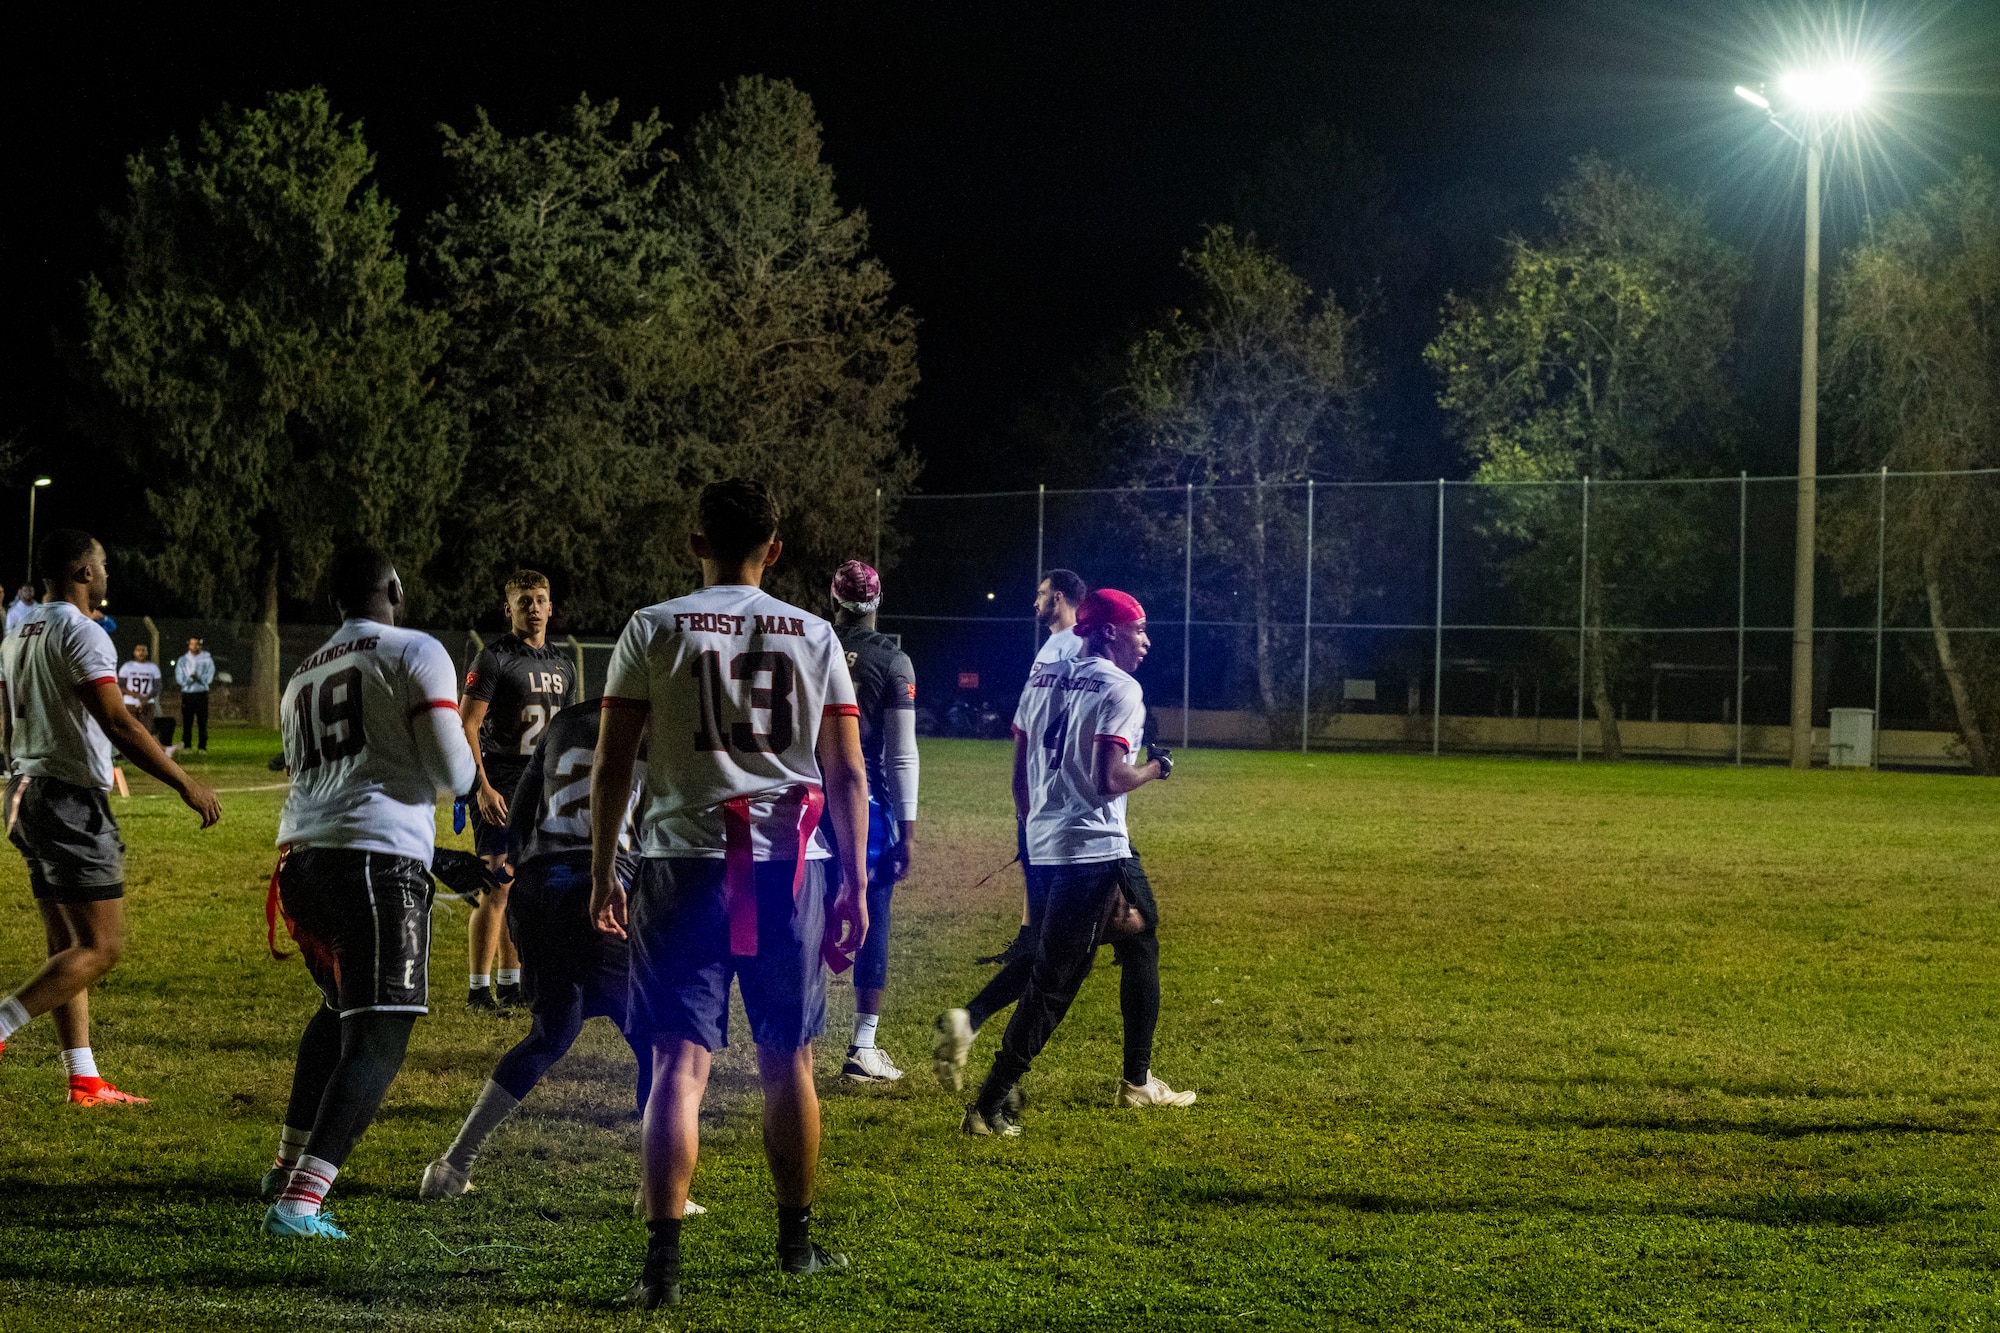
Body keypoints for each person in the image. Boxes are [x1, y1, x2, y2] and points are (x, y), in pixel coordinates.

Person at [589, 477, 870, 1308]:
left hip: (682, 862)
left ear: (693, 541)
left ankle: (663, 1270)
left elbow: (612, 764)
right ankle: (796, 1246)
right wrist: (853, 879)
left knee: (679, 1063)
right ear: (774, 548)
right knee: (791, 1059)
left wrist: (607, 866)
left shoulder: (654, 625)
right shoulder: (817, 632)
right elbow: (848, 770)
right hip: (791, 867)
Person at [258, 546, 478, 1241]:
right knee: (380, 1032)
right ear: (396, 591)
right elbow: (450, 765)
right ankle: (301, 1200)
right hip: (370, 865)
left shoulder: (303, 671)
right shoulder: (415, 648)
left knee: (336, 1009)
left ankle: (285, 1161)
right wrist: (471, 782)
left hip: (302, 861)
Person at [419, 698, 704, 1215]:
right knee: (658, 1042)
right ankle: (657, 1191)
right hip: (598, 891)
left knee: (552, 1032)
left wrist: (510, 878)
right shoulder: (657, 724)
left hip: (537, 894)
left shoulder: (564, 722)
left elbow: (519, 814)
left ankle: (451, 1167)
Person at [960, 588, 1193, 1137]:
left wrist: (1033, 825)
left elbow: (1019, 767)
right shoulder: (1122, 688)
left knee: (1138, 933)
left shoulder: (1043, 676)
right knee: (1056, 977)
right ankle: (989, 1104)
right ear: (1110, 631)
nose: (1146, 641)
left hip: (1044, 842)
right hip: (1090, 849)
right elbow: (1109, 778)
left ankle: (1136, 1080)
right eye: (1138, 629)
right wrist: (1158, 768)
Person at [0, 530, 221, 1100]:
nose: (106, 574)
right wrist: (186, 782)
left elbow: (7, 719)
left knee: (66, 947)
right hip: (68, 798)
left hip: (25, 789)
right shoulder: (82, 632)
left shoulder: (16, 631)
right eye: (101, 564)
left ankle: (84, 1077)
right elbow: (119, 722)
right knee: (101, 948)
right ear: (81, 573)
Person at [933, 567, 1086, 1090]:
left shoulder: (1057, 651)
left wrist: (1023, 806)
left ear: (1061, 599)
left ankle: (972, 1025)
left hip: (1045, 816)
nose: (1036, 603)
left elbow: (1022, 734)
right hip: (1075, 824)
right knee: (1074, 954)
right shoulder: (1069, 652)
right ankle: (999, 1074)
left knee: (1090, 945)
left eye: (1041, 595)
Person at [460, 571, 580, 1013]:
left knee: (526, 887)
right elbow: (467, 726)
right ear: (508, 608)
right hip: (503, 780)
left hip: (544, 783)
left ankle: (512, 984)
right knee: (497, 885)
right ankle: (478, 990)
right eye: (524, 600)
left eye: (540, 599)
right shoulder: (493, 659)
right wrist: (482, 787)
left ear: (551, 607)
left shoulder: (563, 664)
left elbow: (567, 730)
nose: (533, 607)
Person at [825, 560, 919, 1083]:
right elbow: (900, 754)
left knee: (798, 916)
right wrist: (908, 830)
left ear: (833, 599)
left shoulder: (809, 643)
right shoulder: (893, 660)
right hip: (867, 804)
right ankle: (863, 1045)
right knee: (872, 911)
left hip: (803, 801)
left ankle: (793, 1035)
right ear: (878, 602)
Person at [174, 637, 214, 753]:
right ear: (189, 645)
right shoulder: (183, 660)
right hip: (188, 694)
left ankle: (202, 746)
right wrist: (190, 679)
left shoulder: (207, 659)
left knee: (202, 721)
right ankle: (187, 745)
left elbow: (209, 676)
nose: (194, 646)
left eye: (196, 644)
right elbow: (179, 677)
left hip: (201, 693)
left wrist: (200, 678)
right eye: (192, 644)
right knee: (187, 721)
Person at [118, 643, 163, 734]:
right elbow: (120, 686)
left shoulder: (153, 667)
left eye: (143, 650)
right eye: (138, 650)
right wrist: (133, 694)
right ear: (134, 652)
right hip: (130, 703)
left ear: (147, 652)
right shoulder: (127, 666)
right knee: (130, 730)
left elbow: (157, 686)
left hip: (147, 703)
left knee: (146, 731)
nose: (141, 653)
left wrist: (147, 697)